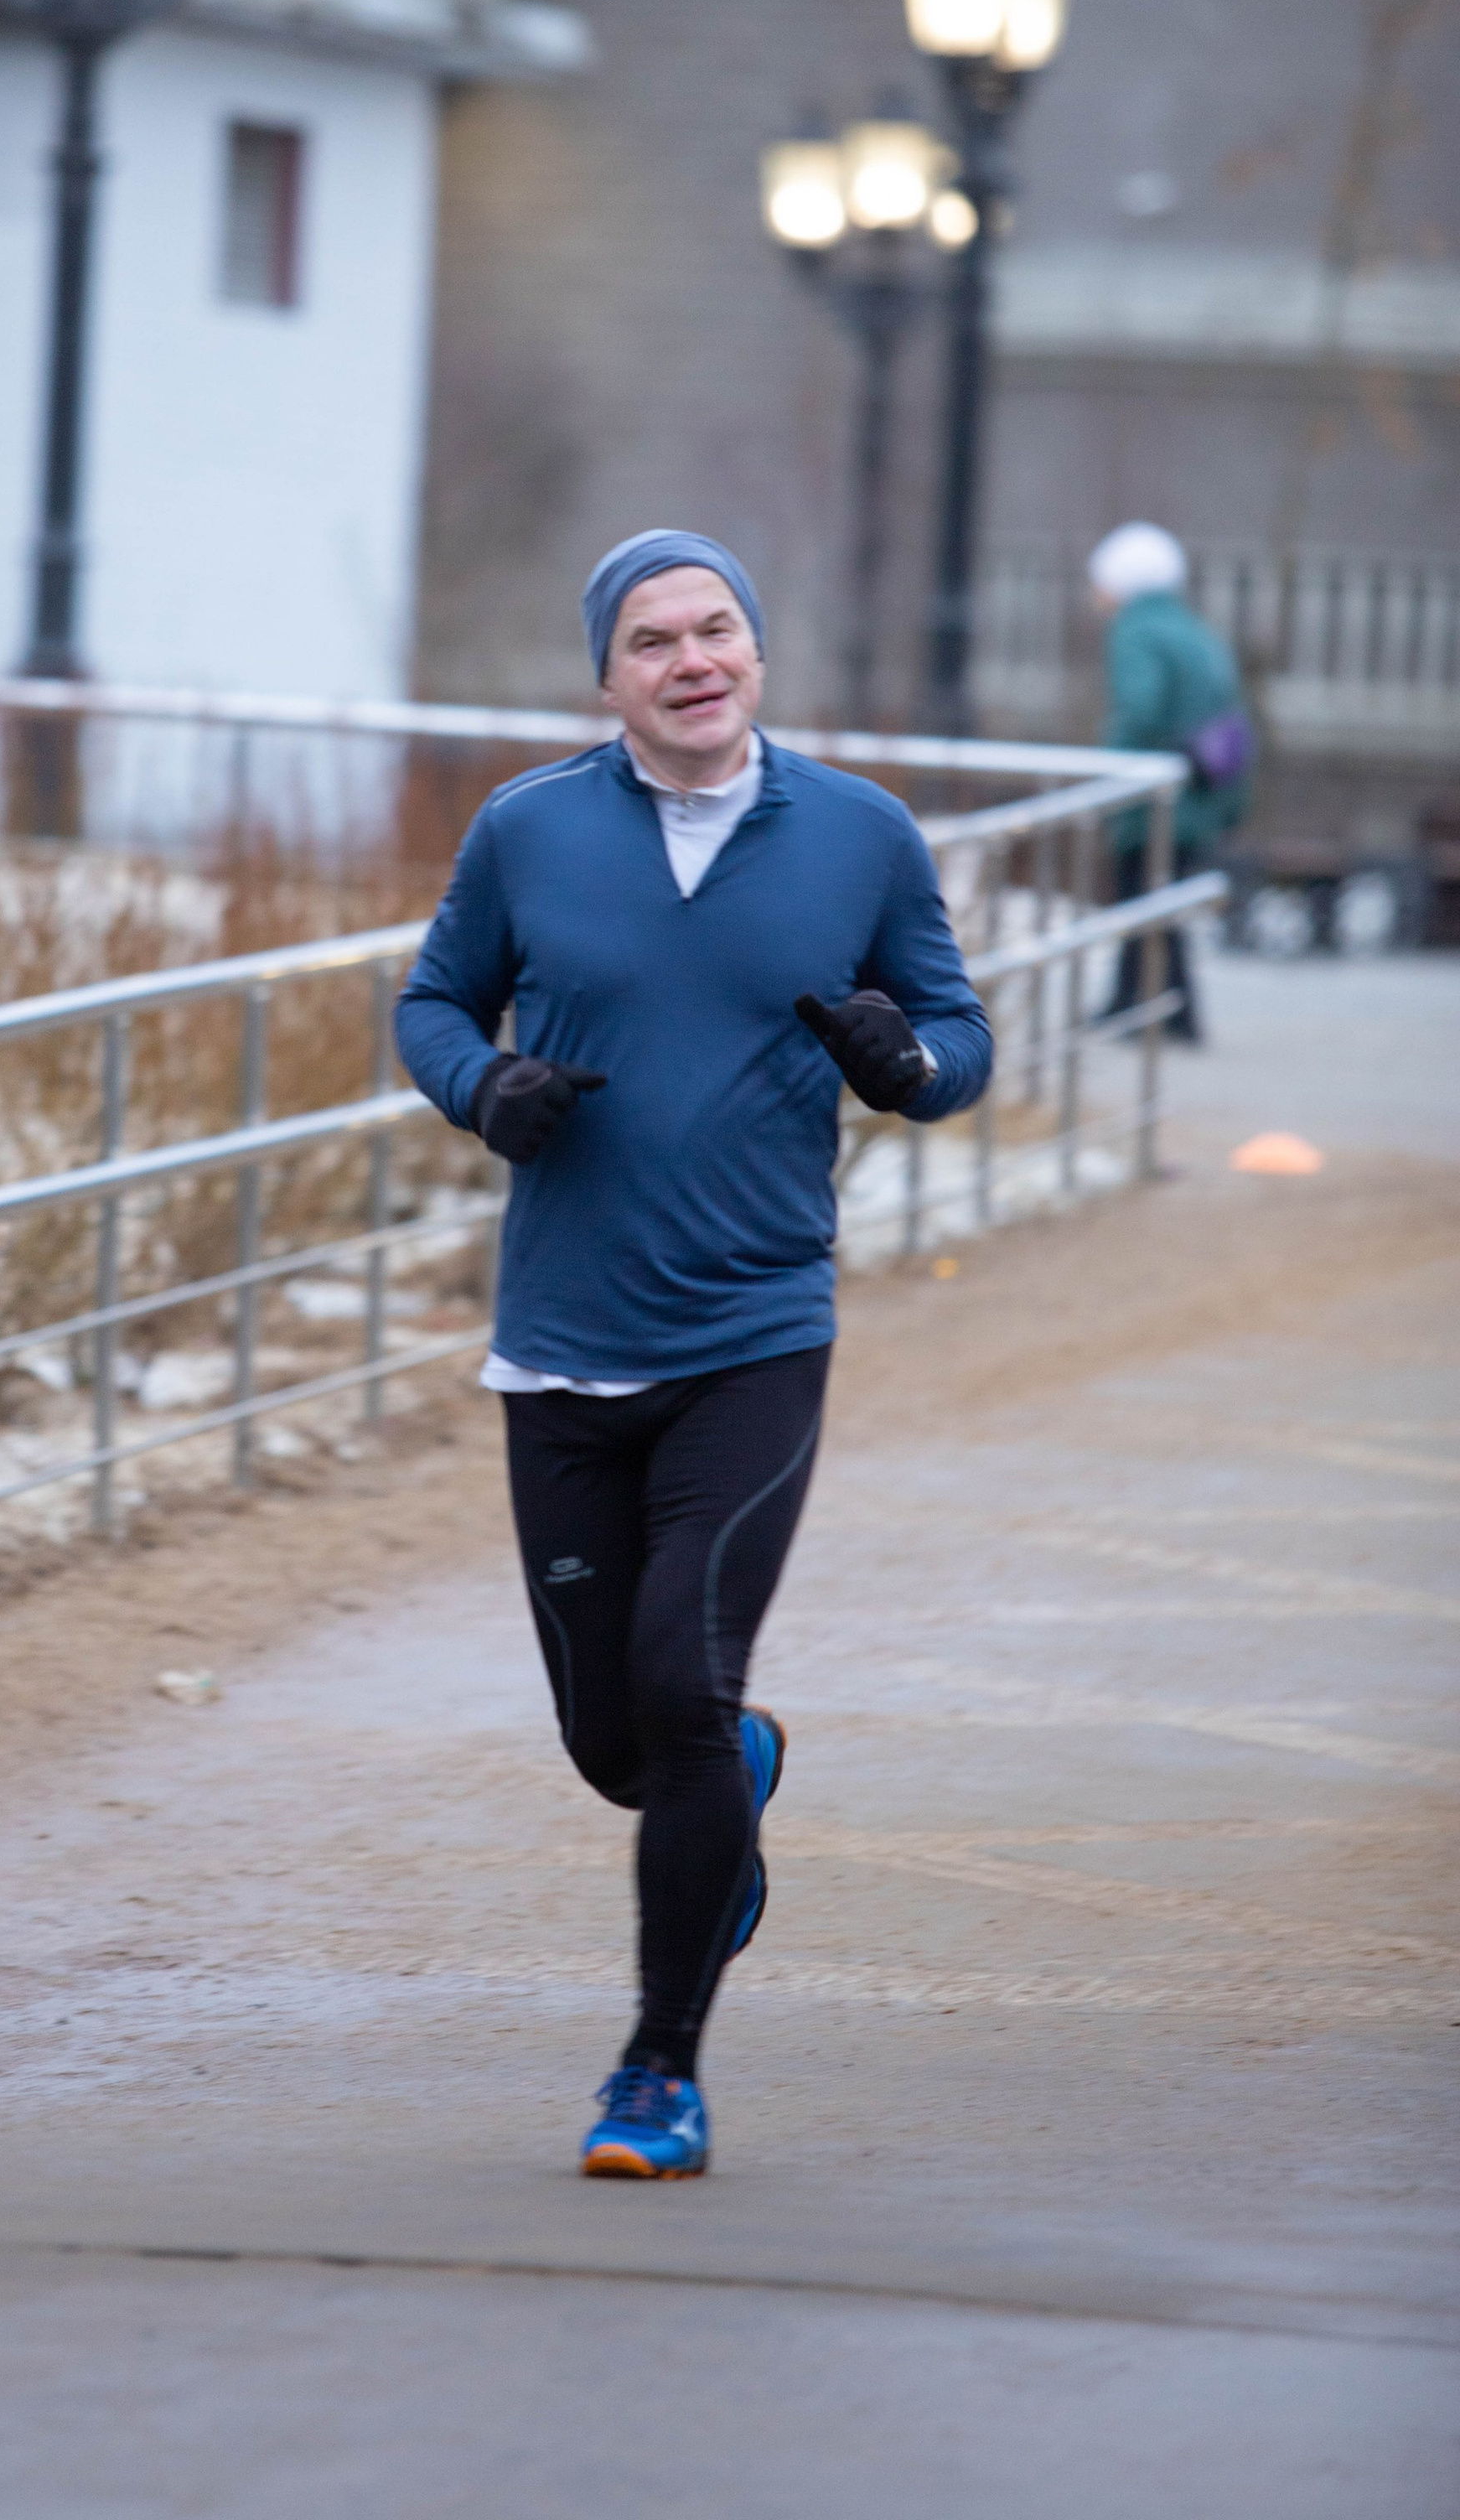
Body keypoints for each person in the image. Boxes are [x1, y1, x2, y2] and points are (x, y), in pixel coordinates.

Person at [396, 528, 992, 2180]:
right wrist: (483, 1088)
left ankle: (656, 2073)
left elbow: (960, 1040)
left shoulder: (860, 836)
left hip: (751, 1331)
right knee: (620, 1750)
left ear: (755, 650)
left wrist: (903, 1062)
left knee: (680, 1686)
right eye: (651, 640)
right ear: (608, 678)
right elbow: (433, 1005)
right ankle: (730, 1780)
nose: (690, 661)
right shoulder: (528, 830)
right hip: (562, 1343)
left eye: (714, 628)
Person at [1087, 522, 1250, 1045]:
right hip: (1196, 792)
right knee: (1162, 903)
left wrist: (1108, 777)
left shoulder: (1137, 630)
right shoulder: (1192, 629)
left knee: (1143, 899)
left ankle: (1154, 1009)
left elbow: (1139, 710)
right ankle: (1159, 1008)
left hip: (1154, 797)